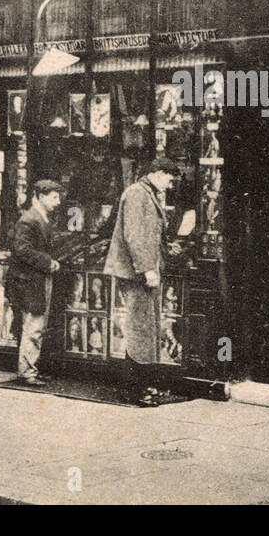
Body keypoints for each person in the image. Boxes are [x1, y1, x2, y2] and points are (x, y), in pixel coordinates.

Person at [104, 157, 178, 405]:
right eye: (169, 178)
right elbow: (134, 235)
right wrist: (147, 269)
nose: (170, 184)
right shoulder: (137, 193)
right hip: (138, 274)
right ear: (157, 172)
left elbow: (149, 234)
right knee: (140, 329)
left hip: (143, 272)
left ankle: (143, 384)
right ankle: (134, 389)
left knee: (146, 328)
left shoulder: (146, 192)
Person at [8, 179, 63, 385]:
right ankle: (27, 372)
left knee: (36, 325)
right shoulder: (29, 219)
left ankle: (30, 368)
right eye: (54, 197)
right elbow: (22, 250)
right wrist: (48, 262)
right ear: (40, 196)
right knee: (34, 325)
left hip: (35, 279)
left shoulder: (38, 218)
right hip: (30, 281)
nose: (58, 202)